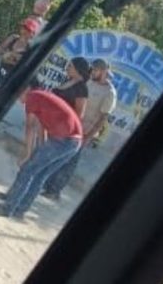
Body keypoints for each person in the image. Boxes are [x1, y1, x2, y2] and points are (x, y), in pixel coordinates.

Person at [0, 88, 82, 219]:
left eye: (18, 96)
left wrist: (27, 154)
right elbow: (42, 127)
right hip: (74, 143)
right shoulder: (42, 98)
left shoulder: (32, 98)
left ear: (24, 91)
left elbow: (30, 127)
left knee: (27, 170)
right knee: (40, 175)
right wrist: (39, 149)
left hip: (62, 140)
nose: (19, 101)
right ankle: (19, 208)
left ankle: (8, 208)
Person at [43, 58, 118, 199]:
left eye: (95, 70)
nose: (92, 72)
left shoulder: (110, 93)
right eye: (92, 69)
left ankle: (54, 190)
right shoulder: (87, 82)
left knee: (69, 161)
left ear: (103, 72)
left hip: (84, 131)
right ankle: (45, 184)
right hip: (68, 125)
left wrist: (88, 137)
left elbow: (102, 119)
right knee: (55, 155)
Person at [0, 18, 40, 102]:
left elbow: (25, 66)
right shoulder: (13, 38)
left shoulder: (30, 48)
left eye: (28, 30)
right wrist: (7, 56)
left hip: (11, 78)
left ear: (32, 34)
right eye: (24, 28)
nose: (24, 31)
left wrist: (12, 57)